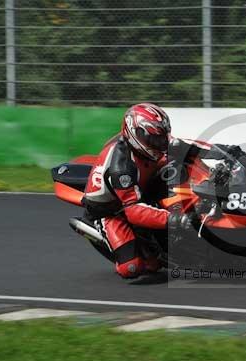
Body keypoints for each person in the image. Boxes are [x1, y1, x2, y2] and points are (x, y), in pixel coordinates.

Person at [82, 103, 195, 279]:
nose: (161, 143)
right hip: (112, 211)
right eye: (154, 140)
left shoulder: (149, 145)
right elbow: (133, 212)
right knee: (134, 268)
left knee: (180, 168)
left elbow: (185, 146)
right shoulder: (122, 168)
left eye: (162, 137)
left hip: (140, 188)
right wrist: (178, 221)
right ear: (136, 134)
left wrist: (222, 153)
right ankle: (111, 238)